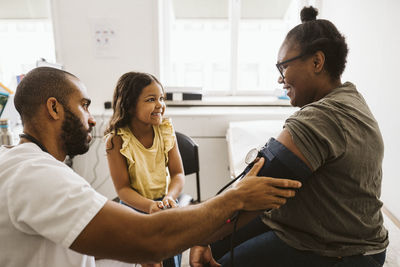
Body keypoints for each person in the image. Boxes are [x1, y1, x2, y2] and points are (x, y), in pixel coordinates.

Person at [0, 66, 302, 267]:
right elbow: (148, 237)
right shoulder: (37, 175)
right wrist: (236, 198)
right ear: (53, 108)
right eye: (84, 105)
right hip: (143, 209)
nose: (91, 117)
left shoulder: (30, 165)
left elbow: (91, 236)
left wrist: (152, 230)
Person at [190, 6, 388, 267]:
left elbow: (256, 194)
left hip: (340, 250)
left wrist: (198, 237)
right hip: (320, 227)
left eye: (283, 66)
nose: (280, 78)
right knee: (215, 239)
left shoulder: (321, 118)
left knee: (217, 257)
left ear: (317, 62)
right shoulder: (350, 97)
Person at [104, 72, 185, 267]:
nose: (160, 105)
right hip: (134, 208)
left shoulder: (165, 130)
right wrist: (149, 206)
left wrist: (169, 198)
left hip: (165, 203)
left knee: (172, 251)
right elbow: (122, 190)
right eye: (151, 99)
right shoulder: (116, 141)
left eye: (161, 98)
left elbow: (178, 174)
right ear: (130, 106)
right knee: (151, 261)